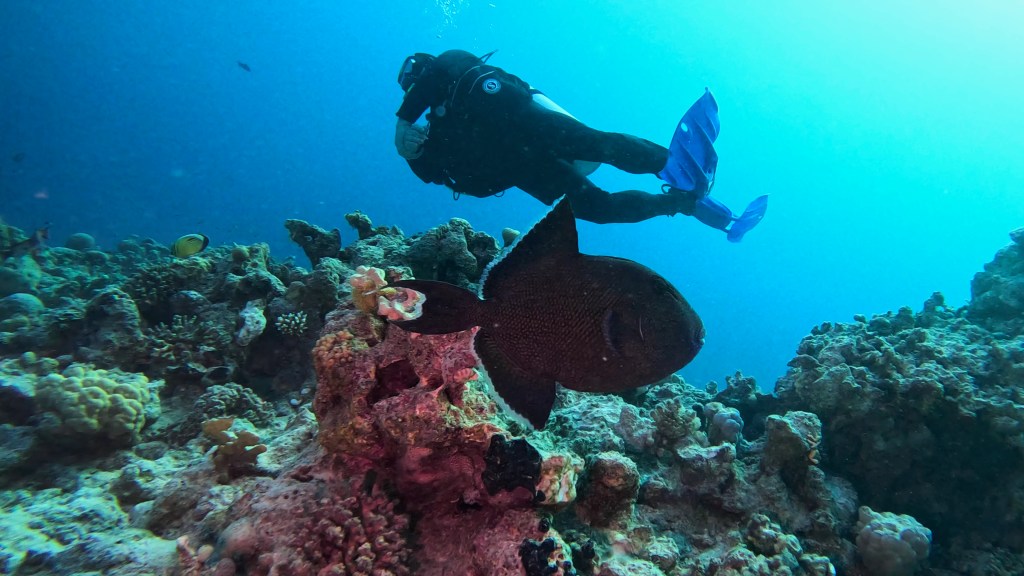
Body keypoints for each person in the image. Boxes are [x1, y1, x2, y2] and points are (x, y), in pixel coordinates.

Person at [394, 49, 766, 240]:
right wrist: (413, 156)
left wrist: (402, 120)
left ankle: (670, 163)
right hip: (521, 166)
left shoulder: (453, 68)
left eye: (411, 78)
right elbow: (441, 175)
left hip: (524, 120)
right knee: (597, 208)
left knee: (597, 143)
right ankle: (683, 202)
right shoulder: (435, 129)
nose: (411, 88)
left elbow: (444, 67)